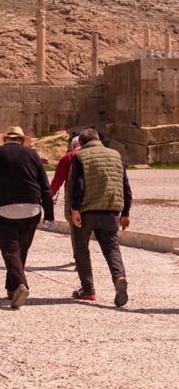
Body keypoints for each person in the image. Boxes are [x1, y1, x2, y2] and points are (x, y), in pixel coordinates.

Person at [0, 127, 53, 309]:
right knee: (21, 249)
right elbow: (45, 186)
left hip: (3, 209)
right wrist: (49, 214)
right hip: (32, 209)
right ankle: (11, 288)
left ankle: (20, 285)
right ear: (22, 140)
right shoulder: (32, 155)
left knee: (10, 250)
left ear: (5, 139)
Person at [68, 128, 132, 306]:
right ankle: (119, 278)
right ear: (98, 139)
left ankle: (88, 290)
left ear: (81, 143)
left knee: (81, 249)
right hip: (111, 211)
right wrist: (126, 212)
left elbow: (78, 184)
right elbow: (125, 186)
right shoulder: (116, 155)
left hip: (86, 211)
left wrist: (75, 208)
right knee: (112, 248)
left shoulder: (80, 156)